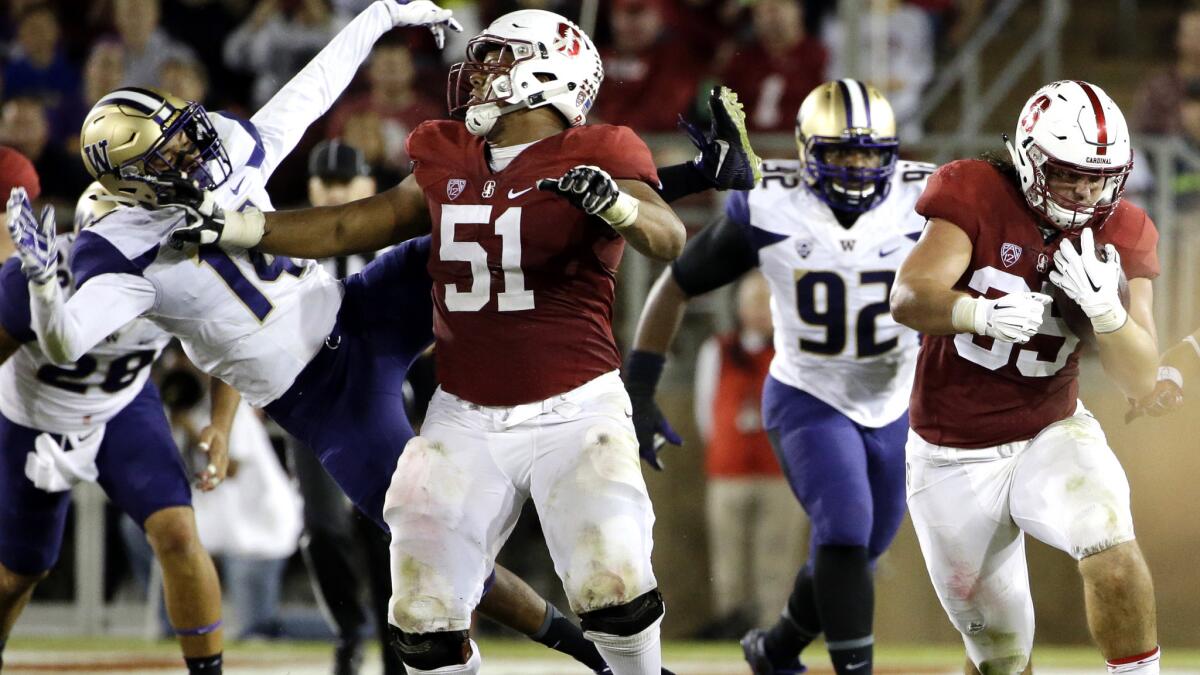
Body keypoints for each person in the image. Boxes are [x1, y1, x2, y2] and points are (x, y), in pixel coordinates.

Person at [152, 12, 766, 674]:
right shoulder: (450, 154)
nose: (477, 74)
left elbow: (667, 236)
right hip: (464, 412)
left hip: (575, 405)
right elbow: (360, 222)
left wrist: (619, 207)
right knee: (423, 622)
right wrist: (247, 227)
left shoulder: (603, 150)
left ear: (546, 73)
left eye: (498, 60)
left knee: (611, 587)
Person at [628, 80, 930, 675]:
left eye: (869, 153)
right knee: (843, 530)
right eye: (841, 152)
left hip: (895, 403)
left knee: (857, 553)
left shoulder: (926, 199)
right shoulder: (772, 204)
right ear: (806, 150)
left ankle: (776, 649)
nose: (857, 166)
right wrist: (639, 386)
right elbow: (677, 284)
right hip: (809, 396)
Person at [889, 80, 1161, 675]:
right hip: (950, 454)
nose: (1086, 190)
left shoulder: (1123, 230)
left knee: (1112, 553)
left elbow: (1142, 373)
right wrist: (975, 311)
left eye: (1099, 176)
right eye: (1068, 174)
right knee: (1000, 660)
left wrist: (1109, 315)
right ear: (1030, 160)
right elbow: (909, 296)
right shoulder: (976, 190)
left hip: (1052, 432)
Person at [1, 184, 233, 675]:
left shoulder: (174, 275)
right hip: (34, 417)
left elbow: (226, 340)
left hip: (121, 408)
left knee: (177, 531)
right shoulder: (32, 280)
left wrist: (221, 425)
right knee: (19, 573)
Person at [691, 271, 804, 638]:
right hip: (728, 475)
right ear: (738, 307)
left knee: (776, 565)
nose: (758, 310)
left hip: (779, 476)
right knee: (728, 565)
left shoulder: (791, 353)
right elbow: (705, 411)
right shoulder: (718, 350)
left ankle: (772, 636)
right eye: (752, 301)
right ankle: (732, 633)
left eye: (765, 302)